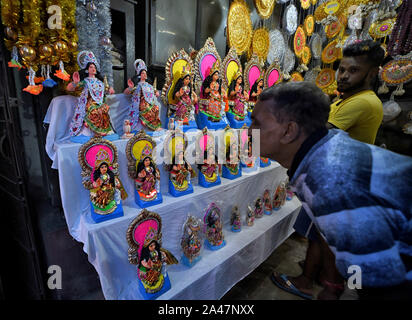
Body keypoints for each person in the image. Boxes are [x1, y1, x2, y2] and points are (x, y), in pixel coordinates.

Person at [249, 81, 412, 300]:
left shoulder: (329, 180)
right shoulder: (325, 147)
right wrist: (333, 285)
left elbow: (375, 277)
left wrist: (351, 289)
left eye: (256, 123)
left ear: (289, 131)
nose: (248, 131)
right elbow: (334, 237)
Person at [327, 40, 384, 144]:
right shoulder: (346, 100)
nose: (343, 76)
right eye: (341, 70)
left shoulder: (363, 101)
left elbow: (315, 136)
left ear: (372, 73)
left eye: (353, 70)